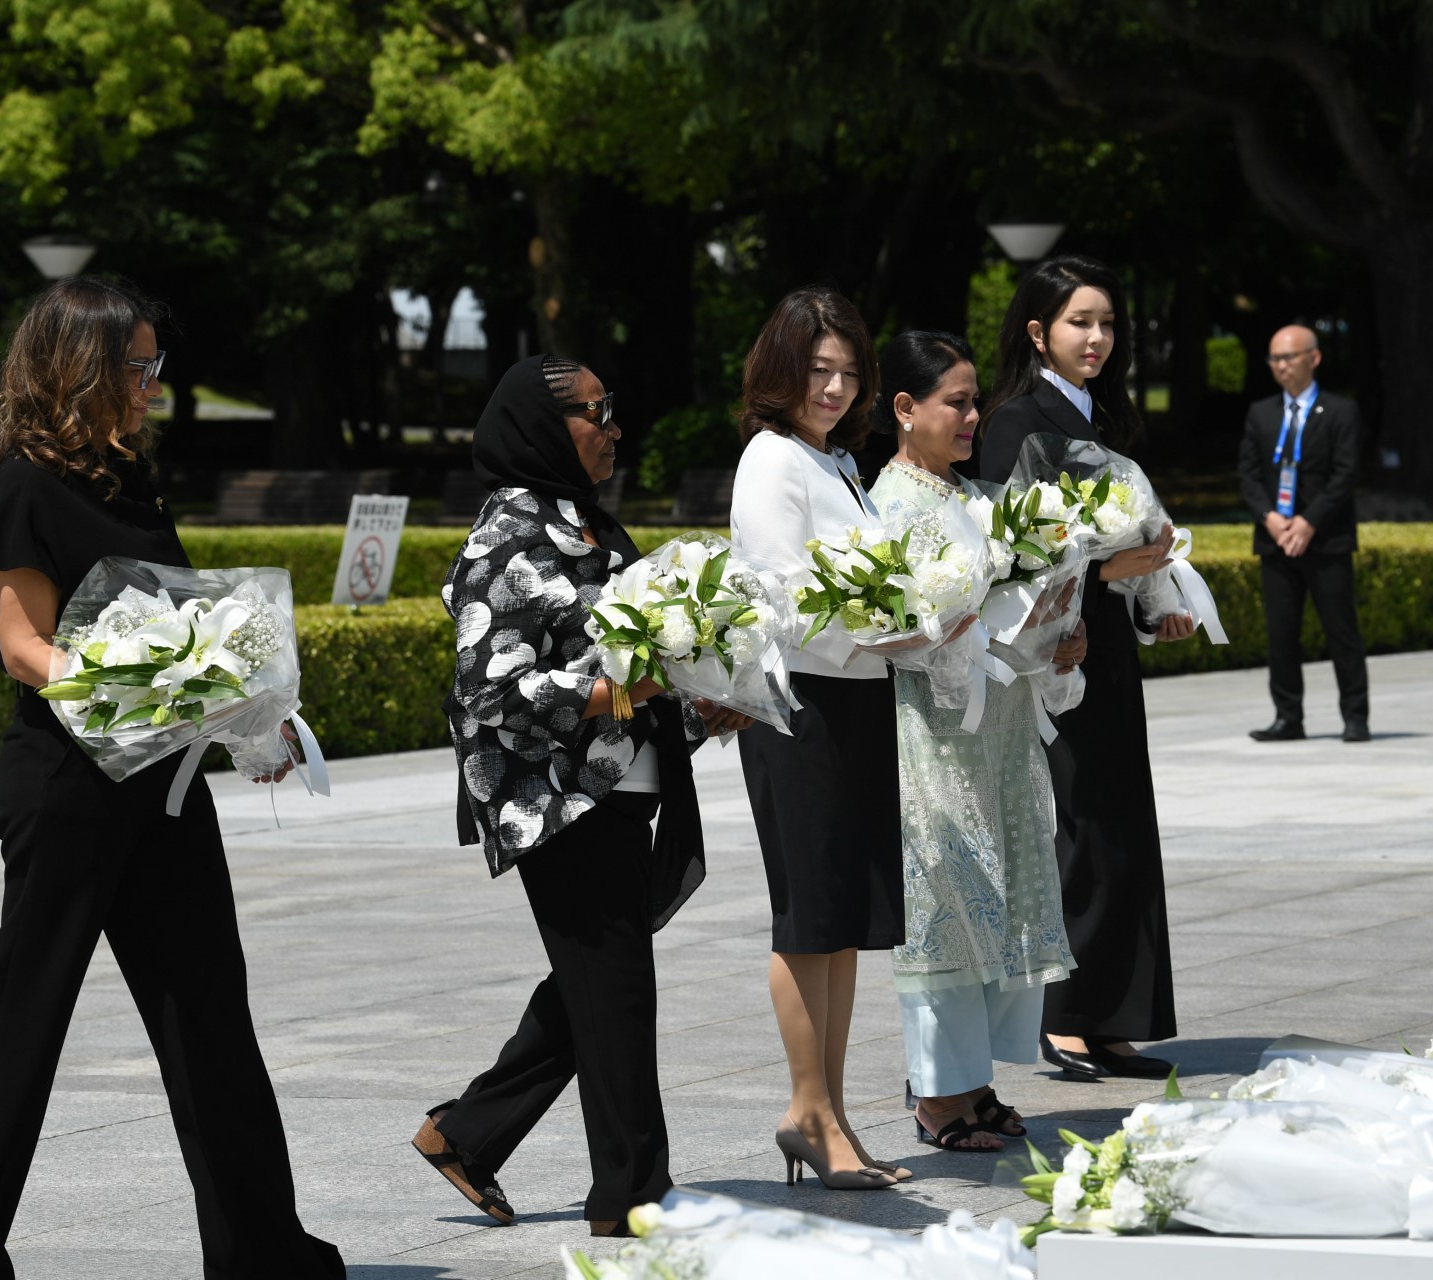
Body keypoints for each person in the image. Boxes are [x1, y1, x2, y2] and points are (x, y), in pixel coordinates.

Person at [0, 277, 344, 1280]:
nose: (154, 384)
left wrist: (237, 708)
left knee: (209, 1012)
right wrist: (131, 689)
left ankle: (262, 1250)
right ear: (81, 370)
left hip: (158, 783)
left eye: (155, 365)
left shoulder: (128, 480)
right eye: (138, 366)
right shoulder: (20, 481)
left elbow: (179, 621)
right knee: (23, 1020)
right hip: (65, 786)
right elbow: (24, 646)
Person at [413, 356, 750, 1238]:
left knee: (595, 985)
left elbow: (641, 663)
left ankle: (465, 1133)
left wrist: (703, 699)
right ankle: (633, 1200)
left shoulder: (587, 522)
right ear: (539, 427)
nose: (614, 425)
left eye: (613, 407)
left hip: (623, 785)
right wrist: (622, 694)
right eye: (597, 412)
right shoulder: (508, 533)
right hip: (553, 797)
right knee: (616, 989)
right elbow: (489, 691)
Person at [978, 254, 1192, 1083]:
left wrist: (1155, 594)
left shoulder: (1100, 416)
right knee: (1079, 827)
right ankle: (1066, 1017)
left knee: (1122, 824)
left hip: (1103, 645)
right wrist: (1106, 577)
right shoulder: (1013, 423)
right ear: (1038, 331)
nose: (1097, 337)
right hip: (1053, 658)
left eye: (1107, 323)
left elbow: (1121, 542)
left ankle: (1110, 1017)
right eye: (1080, 322)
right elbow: (1005, 559)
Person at [868, 330, 1080, 1152]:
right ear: (904, 409)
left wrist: (1061, 634)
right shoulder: (886, 511)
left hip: (1000, 729)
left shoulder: (982, 499)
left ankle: (970, 1082)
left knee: (1002, 896)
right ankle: (936, 1097)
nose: (970, 417)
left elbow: (1014, 614)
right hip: (932, 734)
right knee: (946, 906)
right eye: (955, 402)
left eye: (973, 401)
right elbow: (889, 632)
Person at [729, 288, 908, 1190]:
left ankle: (827, 1113)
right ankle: (808, 1109)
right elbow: (780, 597)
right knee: (808, 920)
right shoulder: (772, 459)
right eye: (817, 372)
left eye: (847, 374)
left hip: (858, 701)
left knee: (842, 922)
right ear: (782, 372)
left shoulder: (835, 463)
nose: (834, 389)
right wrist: (881, 628)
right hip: (802, 706)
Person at [1236, 323, 1370, 744]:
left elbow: (1345, 474)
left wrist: (1309, 522)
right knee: (1281, 633)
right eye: (1274, 358)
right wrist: (1270, 517)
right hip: (1276, 540)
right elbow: (1249, 474)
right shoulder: (1262, 413)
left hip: (1326, 540)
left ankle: (1355, 715)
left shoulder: (1340, 411)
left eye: (1288, 357)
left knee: (1340, 630)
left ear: (1313, 358)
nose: (1280, 366)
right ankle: (1287, 717)